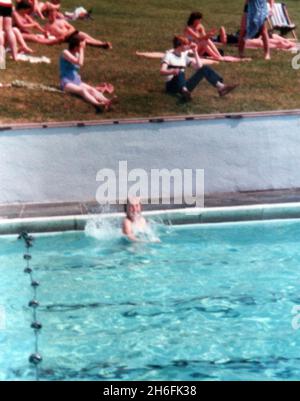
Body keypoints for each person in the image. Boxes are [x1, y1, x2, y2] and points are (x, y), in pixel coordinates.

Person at [160, 35, 239, 101]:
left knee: (204, 68)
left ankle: (221, 87)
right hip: (171, 86)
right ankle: (184, 92)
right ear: (179, 45)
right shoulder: (169, 55)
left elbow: (199, 67)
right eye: (186, 44)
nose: (188, 46)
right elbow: (162, 71)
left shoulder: (184, 56)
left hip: (183, 85)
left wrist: (195, 52)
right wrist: (172, 71)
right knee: (180, 72)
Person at [59, 34, 115, 112]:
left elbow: (79, 62)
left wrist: (81, 47)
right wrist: (81, 49)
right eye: (81, 46)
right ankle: (97, 104)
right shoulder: (65, 52)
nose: (84, 47)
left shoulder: (77, 54)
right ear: (76, 47)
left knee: (92, 89)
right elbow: (80, 63)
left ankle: (107, 101)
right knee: (82, 91)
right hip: (66, 83)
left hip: (76, 81)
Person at [45, 8, 112, 49]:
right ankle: (103, 44)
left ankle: (103, 44)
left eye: (54, 15)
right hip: (67, 38)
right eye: (51, 15)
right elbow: (48, 35)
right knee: (85, 40)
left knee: (88, 37)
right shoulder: (47, 25)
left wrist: (66, 33)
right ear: (48, 16)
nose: (53, 16)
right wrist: (48, 36)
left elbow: (72, 27)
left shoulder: (61, 21)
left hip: (73, 33)